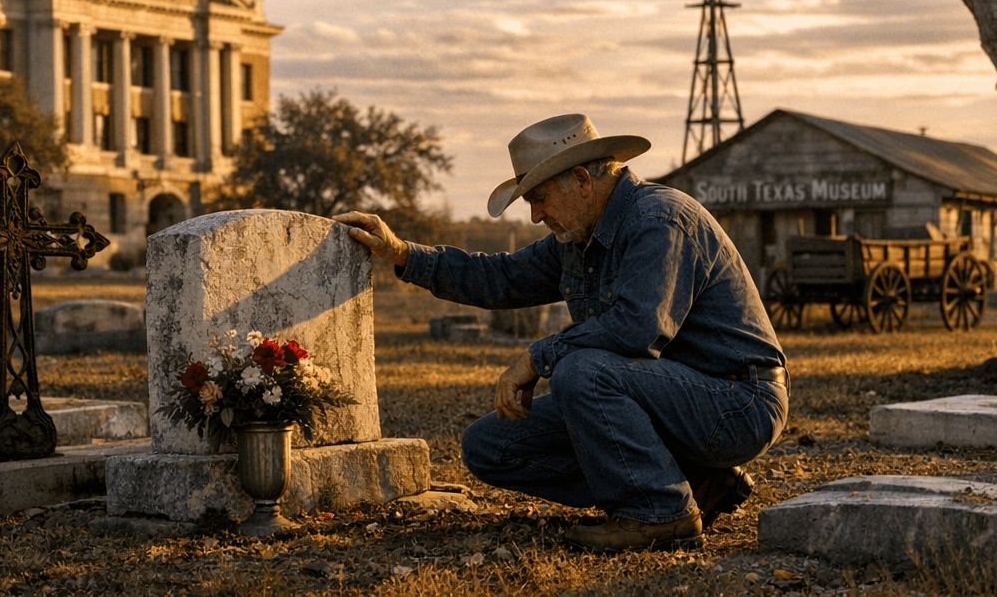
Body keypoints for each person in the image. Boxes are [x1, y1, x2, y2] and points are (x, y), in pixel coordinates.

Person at [336, 113, 787, 552]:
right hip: (674, 404)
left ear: (582, 180)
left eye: (540, 198)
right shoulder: (578, 237)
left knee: (582, 371)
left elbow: (635, 330)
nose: (535, 216)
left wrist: (535, 359)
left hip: (737, 404)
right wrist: (402, 254)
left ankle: (660, 512)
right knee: (490, 445)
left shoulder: (660, 220)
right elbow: (502, 277)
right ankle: (694, 481)